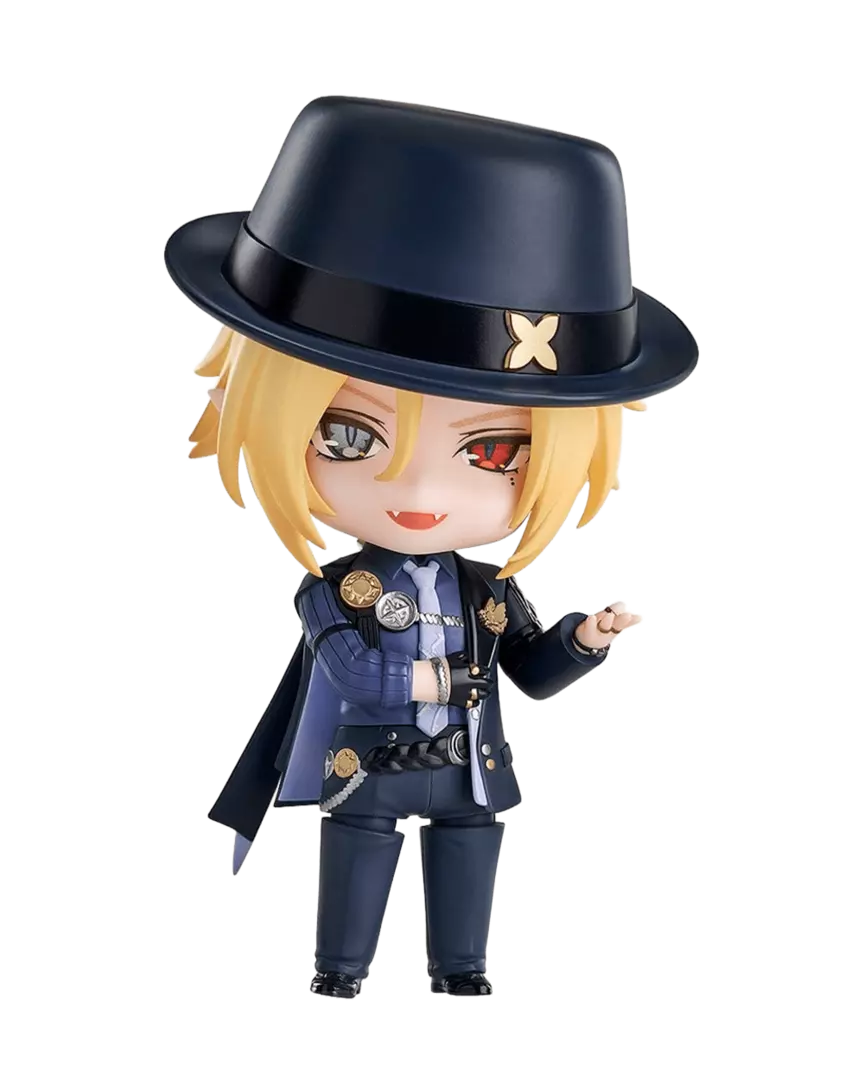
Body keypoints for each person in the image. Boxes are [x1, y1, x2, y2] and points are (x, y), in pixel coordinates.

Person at [163, 96, 699, 999]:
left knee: (466, 878)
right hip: (368, 774)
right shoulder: (332, 588)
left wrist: (582, 639)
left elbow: (528, 673)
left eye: (490, 453)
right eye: (347, 436)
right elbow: (351, 672)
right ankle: (339, 977)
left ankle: (462, 974)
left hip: (468, 777)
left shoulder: (489, 590)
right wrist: (441, 681)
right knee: (355, 874)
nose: (418, 495)